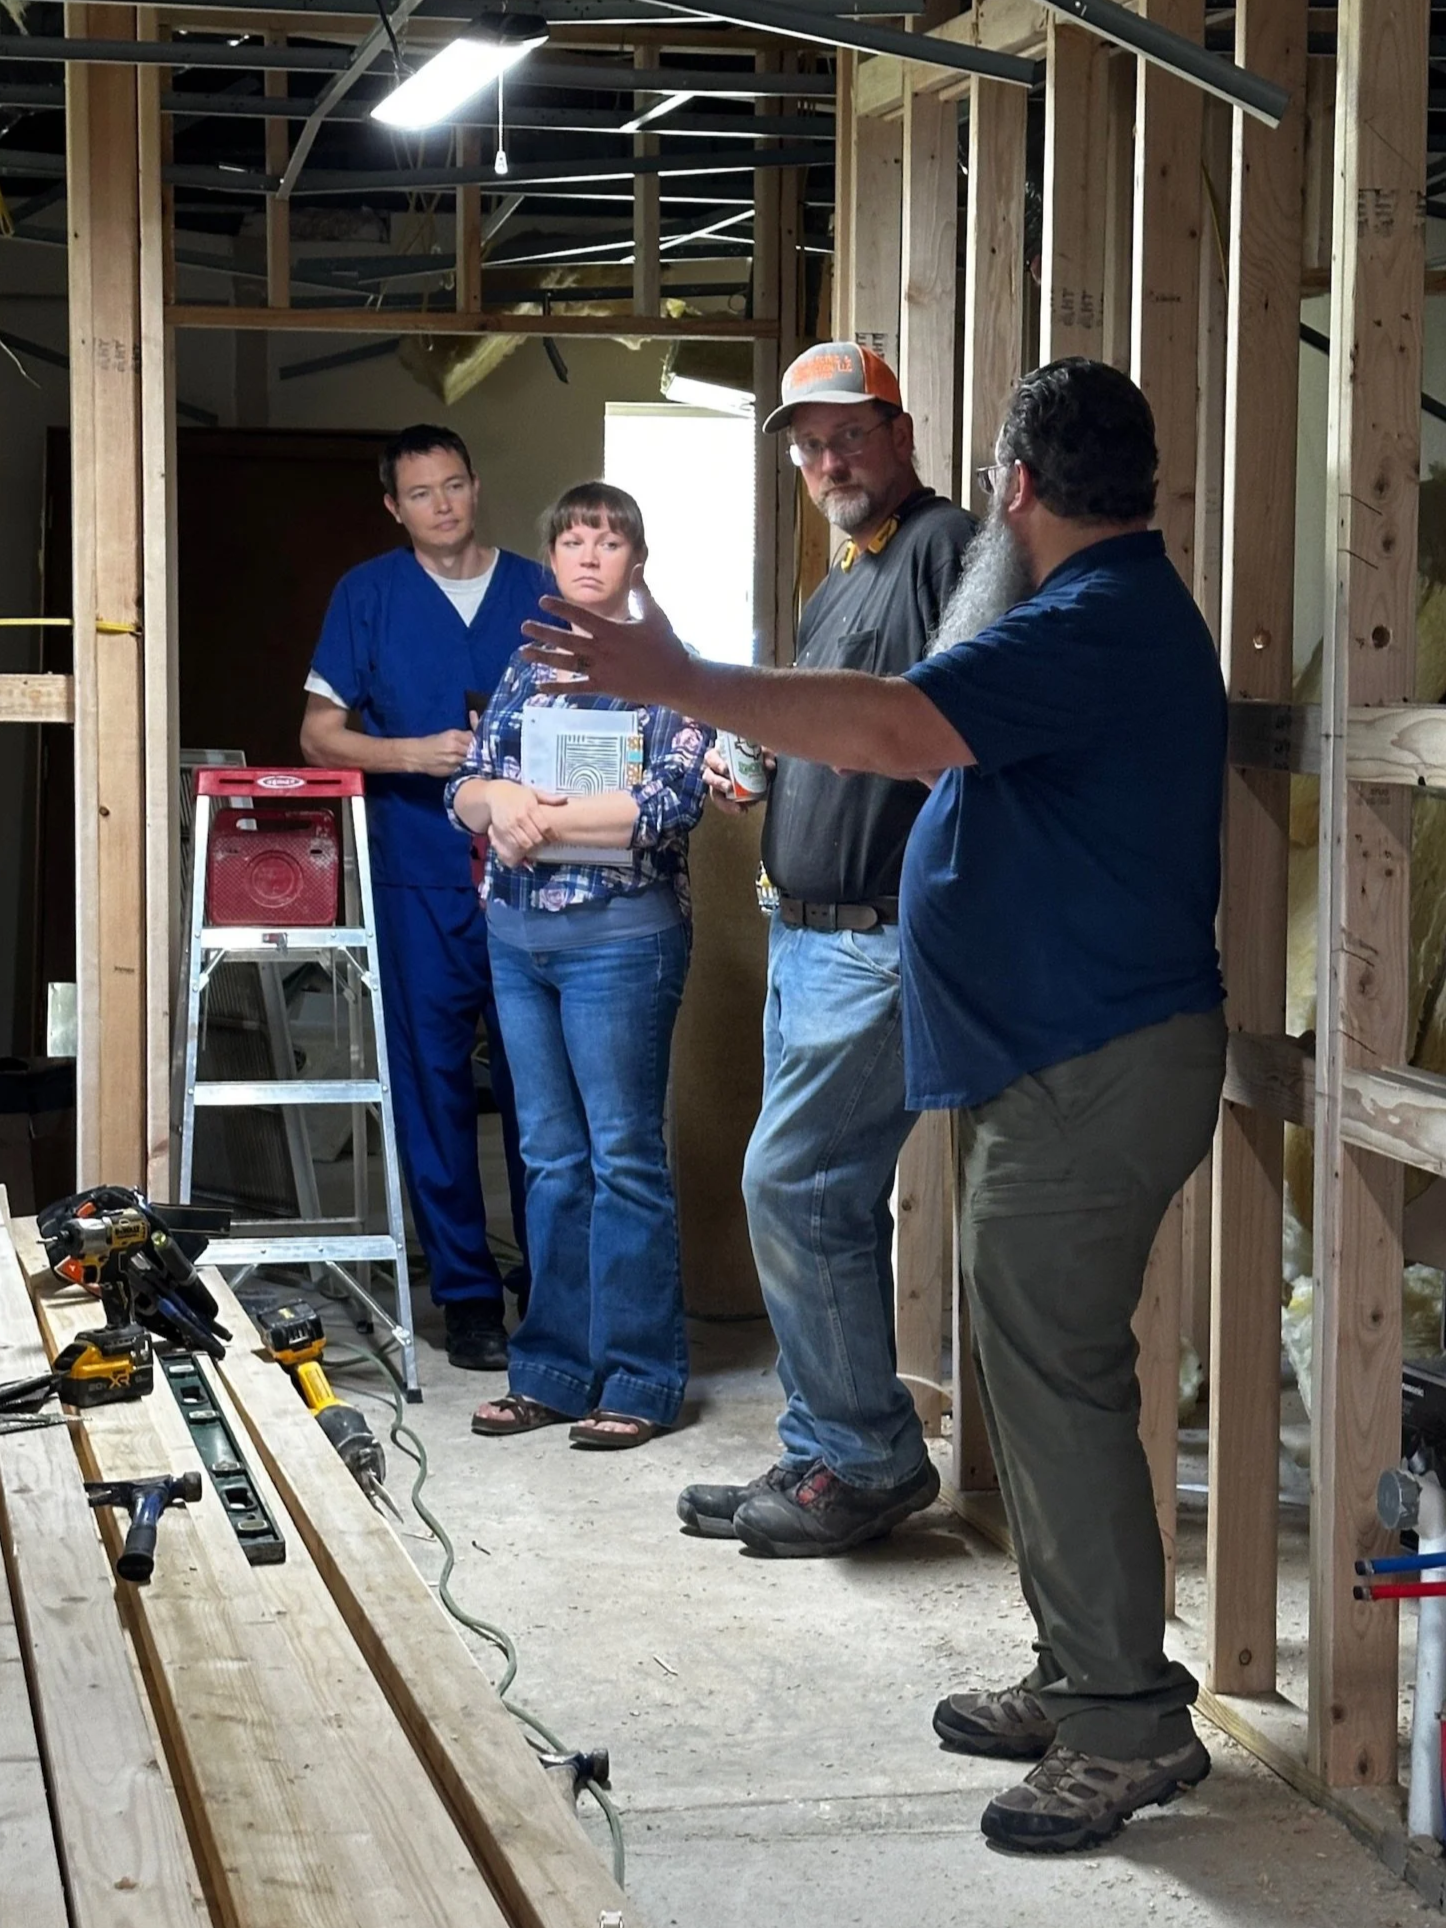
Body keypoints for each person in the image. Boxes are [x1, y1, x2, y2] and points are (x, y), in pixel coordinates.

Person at [517, 358, 1228, 1854]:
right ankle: (1078, 1666)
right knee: (1039, 1382)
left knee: (1057, 1384)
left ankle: (1123, 1726)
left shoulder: (1089, 621)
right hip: (1064, 1057)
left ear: (1016, 487)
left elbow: (899, 728)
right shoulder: (1091, 613)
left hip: (1096, 1063)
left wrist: (675, 680)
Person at [673, 342, 976, 1556]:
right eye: (806, 444)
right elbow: (831, 719)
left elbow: (960, 729)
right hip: (806, 938)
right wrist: (756, 758)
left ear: (899, 431)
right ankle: (820, 1446)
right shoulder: (839, 579)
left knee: (791, 1185)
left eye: (848, 433)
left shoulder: (947, 551)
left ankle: (868, 1455)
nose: (826, 459)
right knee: (822, 1201)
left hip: (884, 941)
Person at [447, 482, 712, 1449]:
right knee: (549, 1161)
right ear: (551, 560)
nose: (589, 554)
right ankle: (551, 1369)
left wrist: (531, 813)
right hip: (518, 944)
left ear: (636, 559)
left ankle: (639, 1380)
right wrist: (494, 802)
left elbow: (670, 800)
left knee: (624, 1160)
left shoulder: (666, 670)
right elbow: (466, 786)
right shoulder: (524, 667)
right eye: (572, 540)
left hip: (621, 944)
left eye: (609, 541)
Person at [300, 424, 547, 1372]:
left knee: (541, 1094)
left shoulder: (539, 588)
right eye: (421, 493)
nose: (442, 505)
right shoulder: (367, 596)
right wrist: (411, 753)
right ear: (394, 507)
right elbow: (321, 735)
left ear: (476, 486)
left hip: (540, 872)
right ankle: (468, 1297)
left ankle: (554, 1290)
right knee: (433, 1086)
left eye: (454, 486)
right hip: (417, 870)